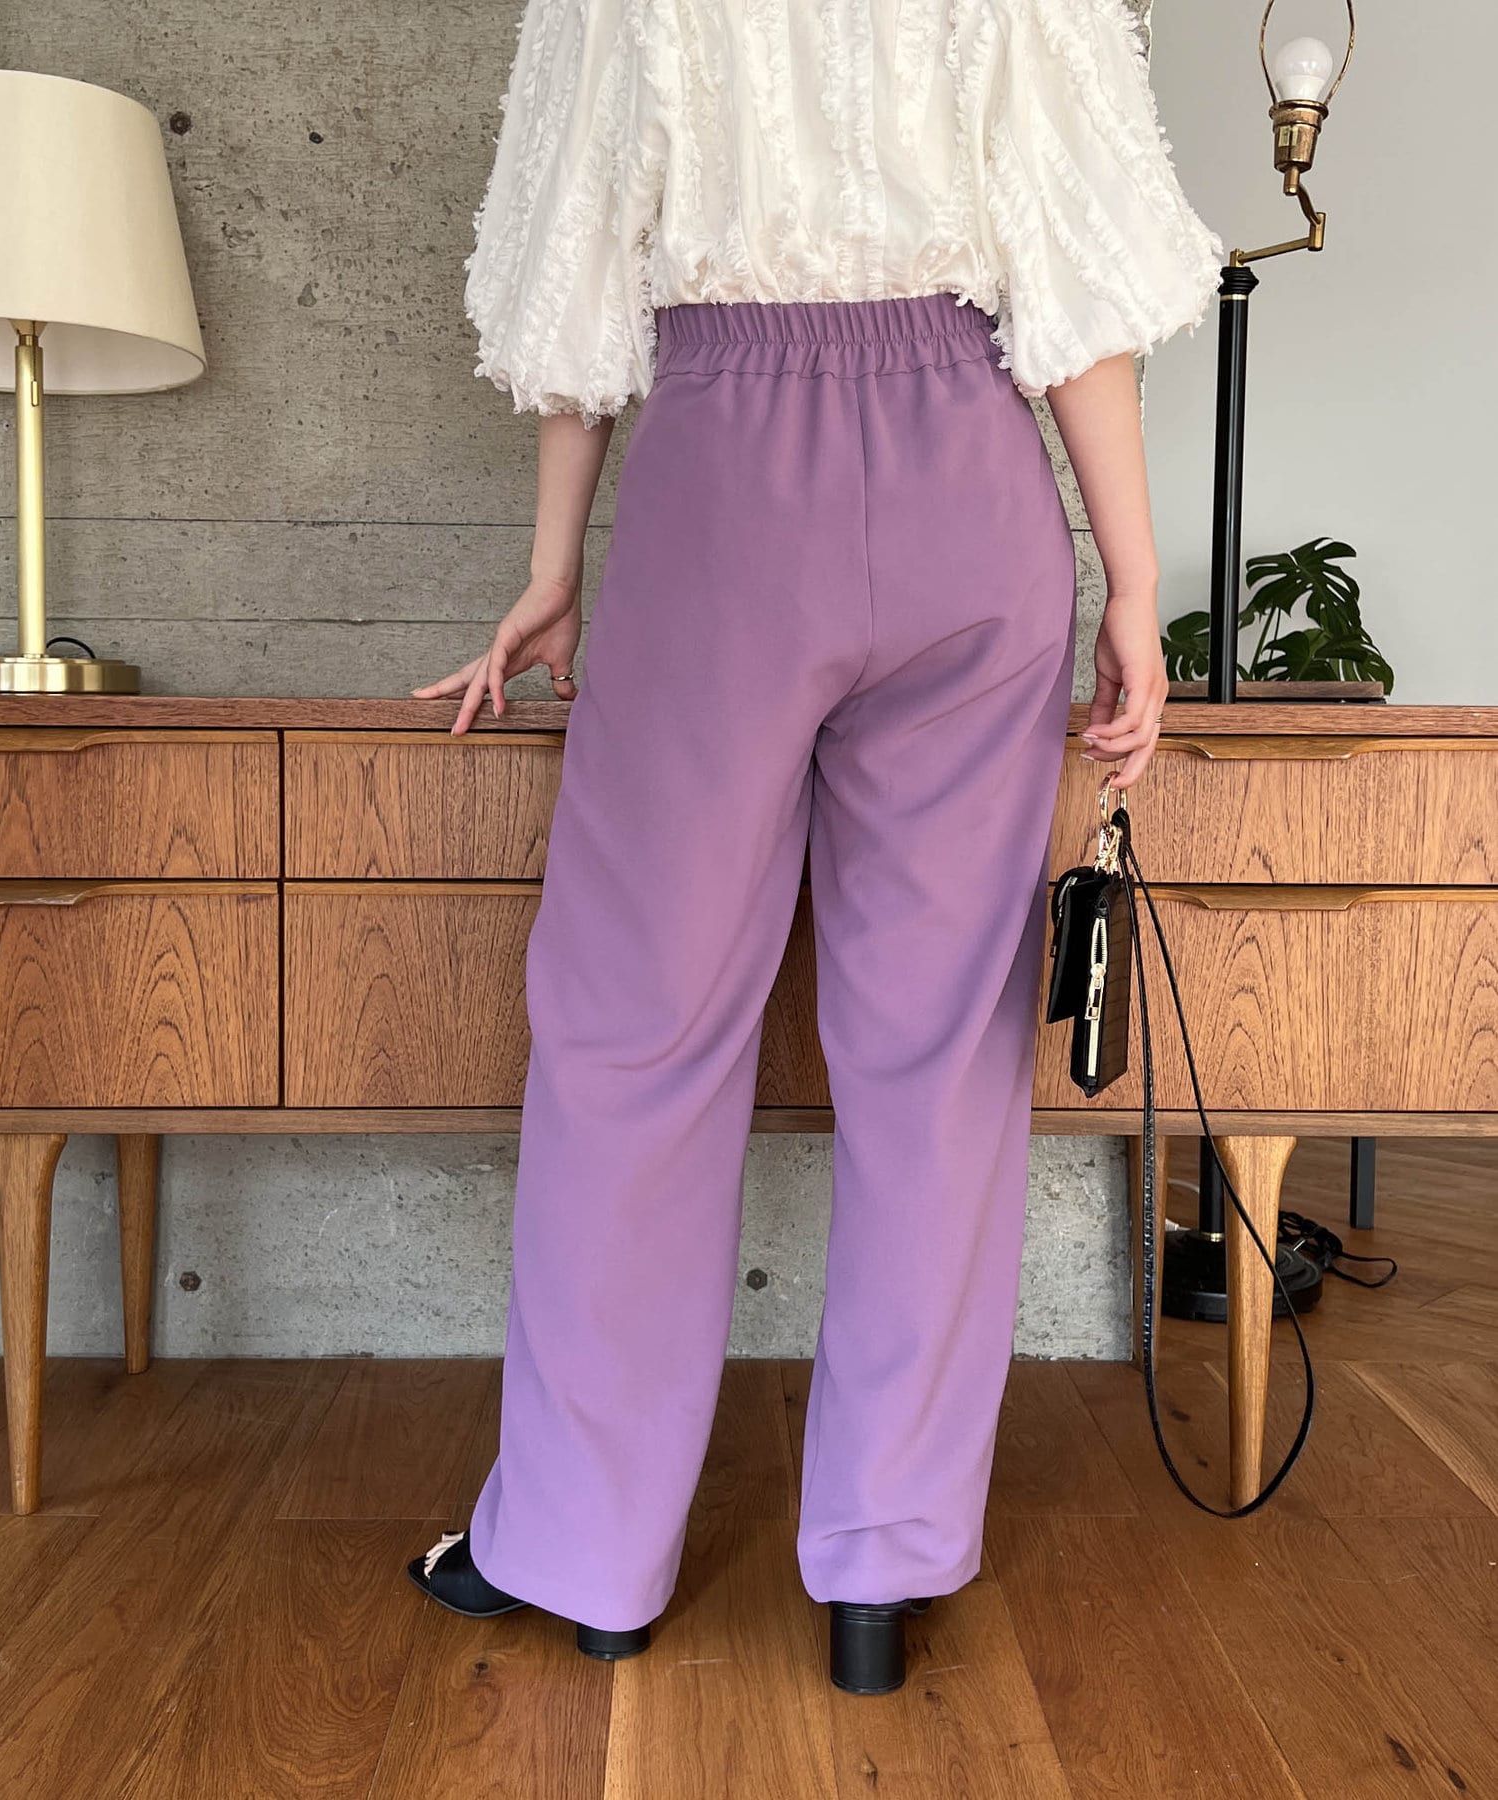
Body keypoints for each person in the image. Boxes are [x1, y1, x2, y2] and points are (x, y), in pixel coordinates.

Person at [407, 0, 1221, 1696]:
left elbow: (577, 268)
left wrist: (553, 566)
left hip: (723, 486)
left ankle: (587, 1551)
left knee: (636, 1030)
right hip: (972, 480)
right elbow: (1072, 269)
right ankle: (882, 1565)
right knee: (939, 1052)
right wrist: (1136, 585)